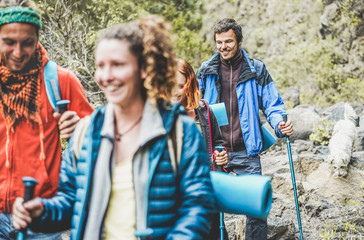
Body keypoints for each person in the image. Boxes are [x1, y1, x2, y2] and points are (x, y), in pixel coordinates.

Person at [12, 15, 215, 240]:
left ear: (144, 69)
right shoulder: (87, 131)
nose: (106, 77)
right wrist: (41, 210)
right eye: (100, 66)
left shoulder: (181, 132)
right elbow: (71, 202)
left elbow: (198, 209)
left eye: (117, 65)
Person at [0, 0, 93, 239]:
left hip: (41, 215)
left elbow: (99, 143)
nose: (18, 53)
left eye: (27, 43)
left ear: (37, 37)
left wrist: (80, 129)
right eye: (9, 42)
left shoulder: (60, 80)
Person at [196, 18, 294, 240]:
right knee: (210, 211)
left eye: (228, 41)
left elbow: (273, 104)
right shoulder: (206, 71)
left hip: (246, 152)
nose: (223, 47)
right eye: (219, 42)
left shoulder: (256, 69)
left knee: (256, 210)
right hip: (215, 152)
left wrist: (280, 124)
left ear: (239, 41)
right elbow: (192, 104)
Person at [176, 59, 229, 239]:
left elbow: (218, 141)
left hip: (206, 187)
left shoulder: (204, 110)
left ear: (190, 84)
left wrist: (221, 154)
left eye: (180, 86)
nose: (175, 92)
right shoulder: (158, 114)